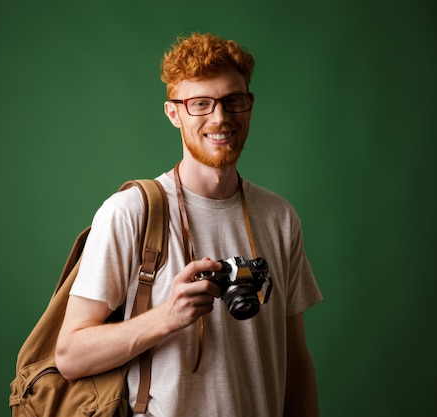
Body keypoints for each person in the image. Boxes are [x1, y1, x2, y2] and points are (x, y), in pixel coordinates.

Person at [55, 32, 323, 417]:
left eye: (233, 100)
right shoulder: (131, 212)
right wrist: (168, 315)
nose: (220, 118)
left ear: (249, 105)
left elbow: (295, 361)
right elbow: (69, 355)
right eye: (200, 104)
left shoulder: (279, 216)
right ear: (173, 113)